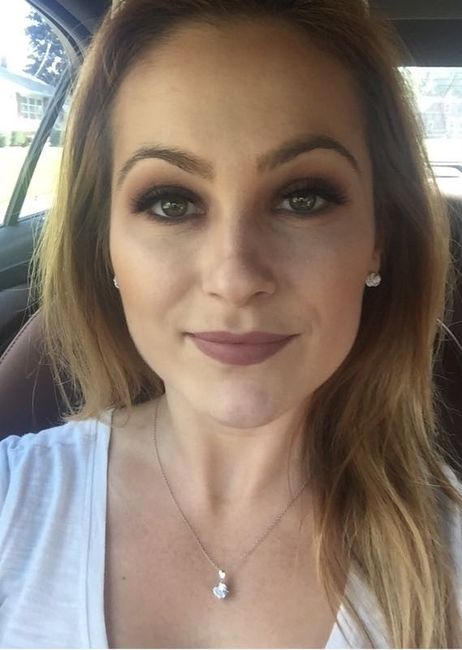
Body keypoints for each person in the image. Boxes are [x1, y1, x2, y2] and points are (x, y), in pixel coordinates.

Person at [1, 0, 462, 647]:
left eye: (303, 198)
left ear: (378, 239)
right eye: (171, 202)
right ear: (104, 244)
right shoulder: (12, 498)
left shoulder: (447, 557)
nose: (235, 276)